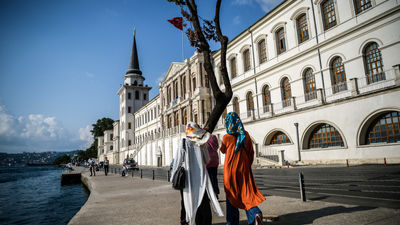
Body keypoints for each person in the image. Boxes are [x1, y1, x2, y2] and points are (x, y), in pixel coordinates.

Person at [170, 122, 224, 225]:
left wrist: (172, 177)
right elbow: (207, 160)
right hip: (201, 179)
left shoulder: (183, 142)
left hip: (187, 179)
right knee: (203, 203)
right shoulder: (201, 142)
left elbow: (177, 161)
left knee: (187, 201)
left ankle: (187, 220)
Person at [220, 112, 265, 225]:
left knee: (231, 195)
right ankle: (255, 214)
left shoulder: (226, 137)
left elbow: (222, 150)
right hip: (243, 167)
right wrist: (246, 165)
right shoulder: (245, 135)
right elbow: (251, 152)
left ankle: (232, 222)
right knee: (247, 193)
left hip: (230, 170)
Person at [205, 134, 220, 199]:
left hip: (207, 161)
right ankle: (216, 193)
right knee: (214, 178)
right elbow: (217, 146)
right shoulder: (213, 137)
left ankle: (211, 195)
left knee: (209, 180)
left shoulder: (204, 138)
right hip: (215, 160)